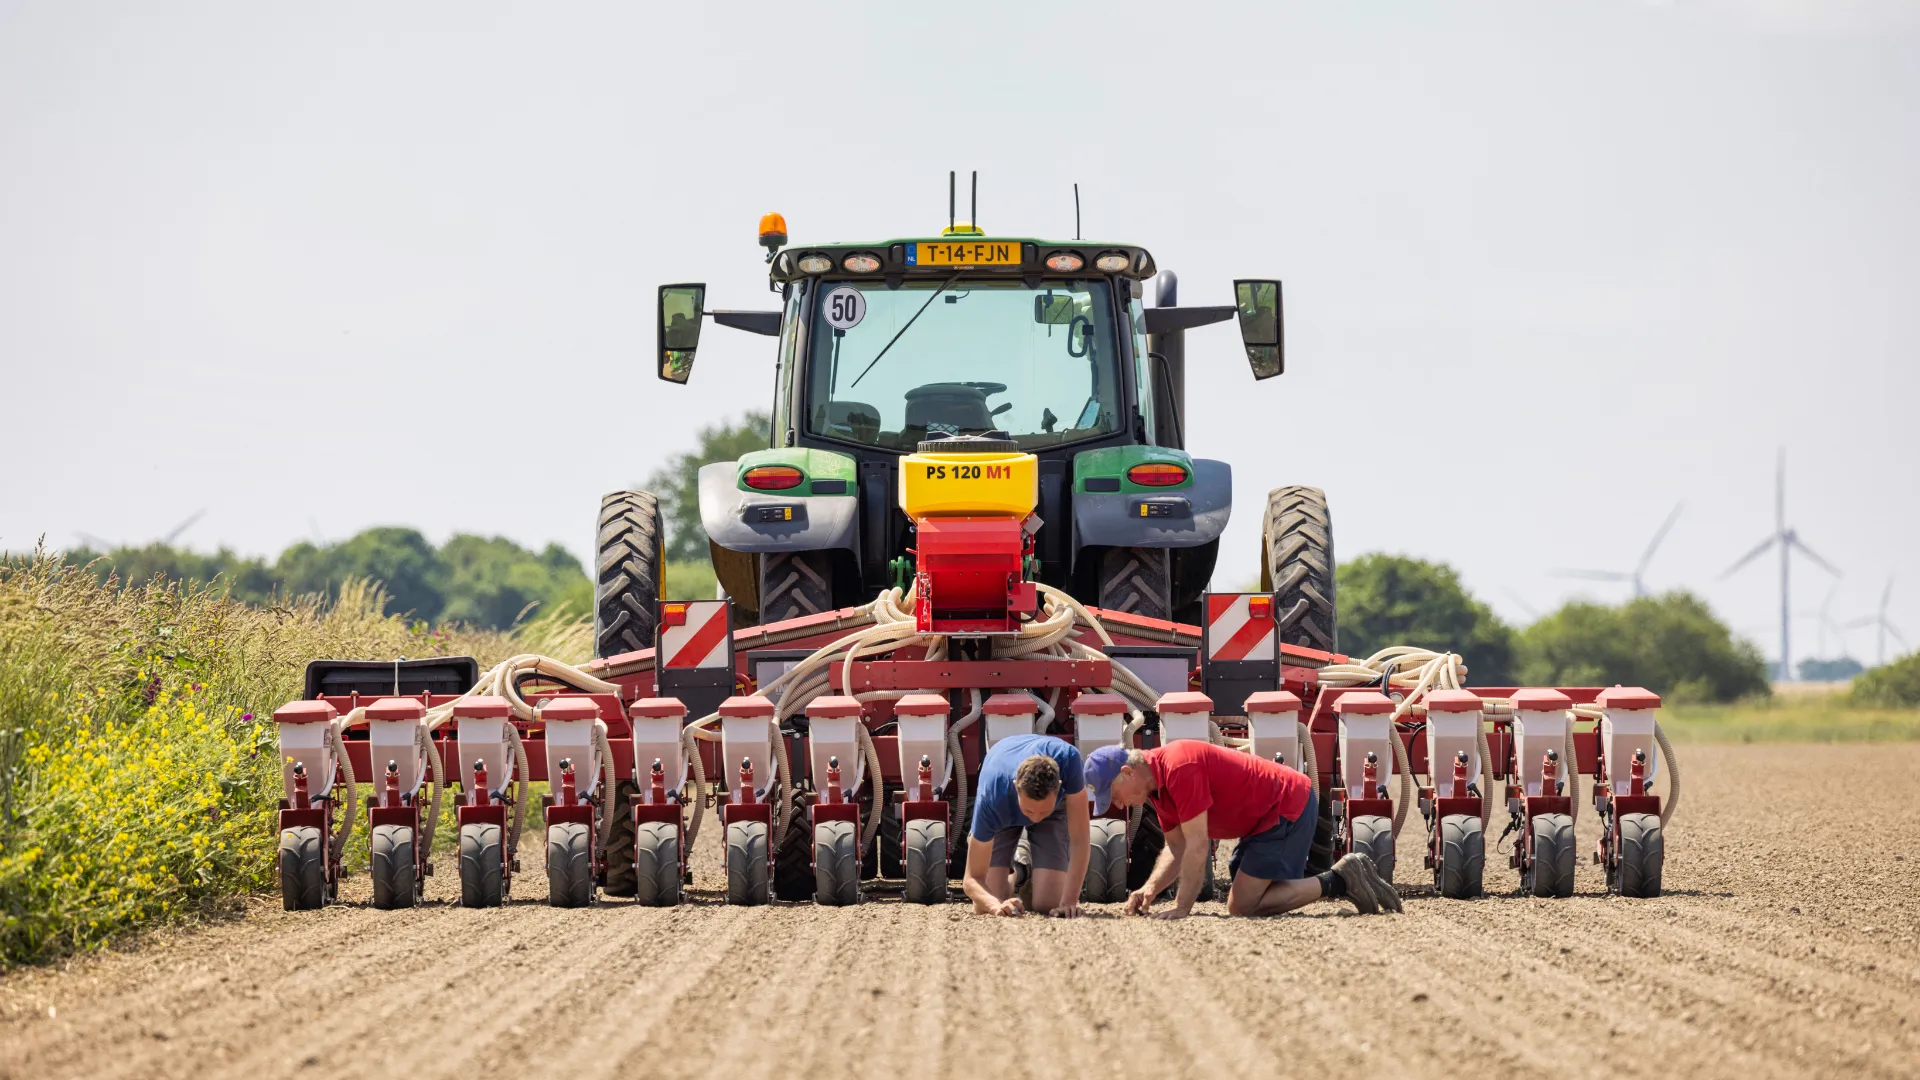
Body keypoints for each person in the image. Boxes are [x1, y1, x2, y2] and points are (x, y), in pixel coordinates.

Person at [1084, 741, 1402, 919]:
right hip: (1259, 822)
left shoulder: (1180, 767)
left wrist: (1182, 906)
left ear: (1127, 773)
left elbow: (1197, 846)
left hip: (1285, 806)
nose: (1117, 803)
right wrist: (1150, 890)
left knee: (1242, 907)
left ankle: (1341, 879)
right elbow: (1177, 848)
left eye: (1112, 793)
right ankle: (1340, 878)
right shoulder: (1158, 790)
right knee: (1251, 895)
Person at [961, 733, 1091, 917]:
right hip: (1004, 805)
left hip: (1053, 808)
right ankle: (1021, 870)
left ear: (1059, 785)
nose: (1036, 818)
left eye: (1043, 812)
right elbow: (971, 879)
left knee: (1048, 904)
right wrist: (994, 905)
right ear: (1016, 786)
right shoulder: (992, 795)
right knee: (987, 902)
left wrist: (1069, 902)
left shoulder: (1070, 760)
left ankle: (1033, 875)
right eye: (1030, 812)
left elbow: (1080, 839)